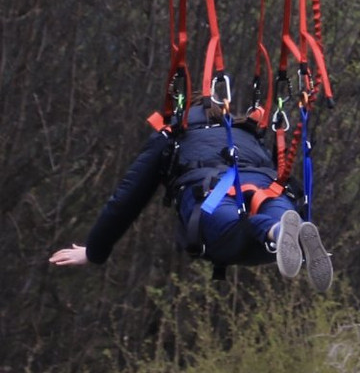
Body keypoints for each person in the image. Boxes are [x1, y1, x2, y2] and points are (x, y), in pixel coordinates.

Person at [49, 99, 333, 291]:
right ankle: (283, 228)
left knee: (234, 225)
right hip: (267, 186)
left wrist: (96, 251)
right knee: (268, 214)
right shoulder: (248, 135)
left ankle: (278, 230)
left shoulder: (173, 136)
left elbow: (126, 199)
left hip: (213, 191)